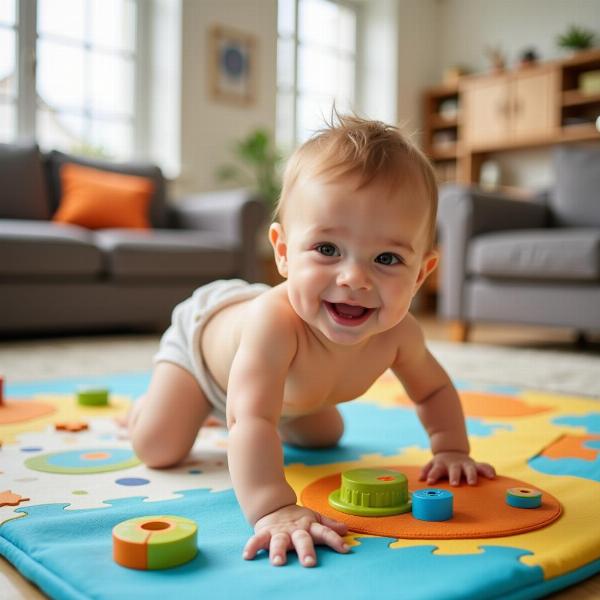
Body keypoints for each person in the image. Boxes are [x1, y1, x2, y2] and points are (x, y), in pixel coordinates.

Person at [128, 113, 496, 569]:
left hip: (283, 392)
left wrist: (451, 449)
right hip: (203, 351)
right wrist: (273, 507)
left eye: (386, 258)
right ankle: (148, 406)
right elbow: (251, 420)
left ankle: (264, 408)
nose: (354, 278)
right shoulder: (273, 323)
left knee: (326, 435)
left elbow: (434, 390)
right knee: (159, 447)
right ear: (283, 252)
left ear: (421, 273)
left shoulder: (401, 334)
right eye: (327, 250)